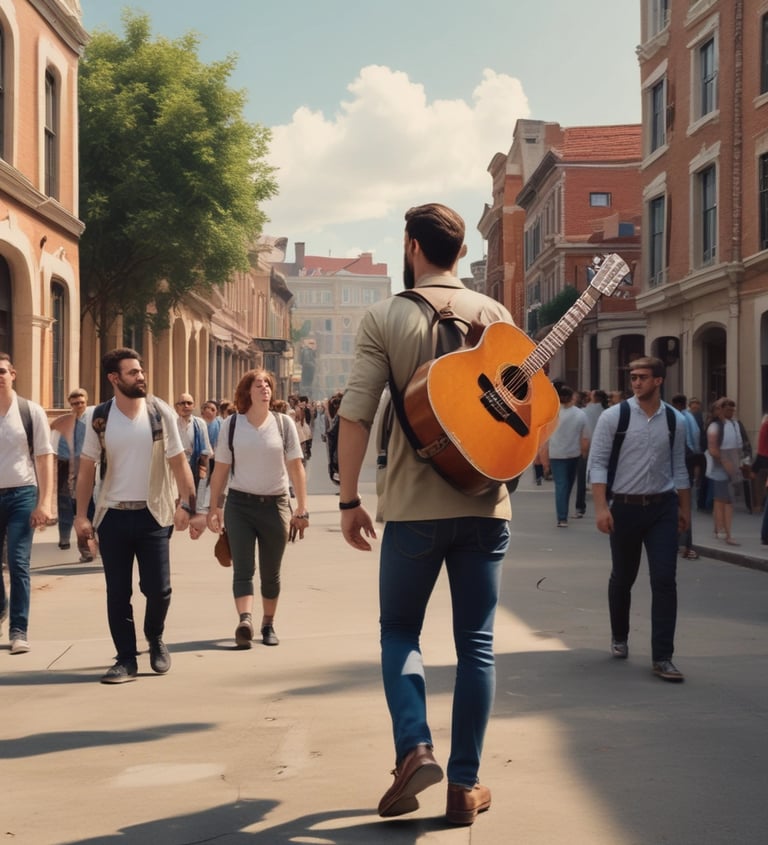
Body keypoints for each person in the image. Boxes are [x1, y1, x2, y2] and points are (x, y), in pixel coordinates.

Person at [337, 203, 513, 826]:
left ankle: (413, 746)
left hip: (413, 508)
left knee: (399, 632)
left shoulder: (385, 315)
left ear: (412, 245)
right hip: (487, 504)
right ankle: (464, 787)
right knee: (478, 647)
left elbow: (355, 412)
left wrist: (350, 499)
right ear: (461, 253)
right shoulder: (495, 315)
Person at [74, 348, 197, 684]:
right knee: (118, 592)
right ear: (114, 378)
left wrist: (189, 505)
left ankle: (155, 638)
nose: (141, 376)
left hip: (153, 514)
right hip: (112, 516)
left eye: (141, 371)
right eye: (132, 373)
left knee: (158, 589)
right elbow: (86, 469)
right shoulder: (98, 417)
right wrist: (80, 516)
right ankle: (125, 658)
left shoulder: (160, 412)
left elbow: (178, 461)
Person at [587, 356, 690, 683]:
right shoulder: (613, 417)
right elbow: (598, 464)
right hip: (625, 508)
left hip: (662, 507)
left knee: (664, 580)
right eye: (633, 377)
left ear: (659, 380)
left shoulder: (675, 420)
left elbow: (679, 468)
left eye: (643, 377)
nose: (636, 382)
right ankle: (620, 635)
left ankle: (663, 657)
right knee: (624, 577)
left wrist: (684, 510)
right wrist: (602, 508)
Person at [206, 369, 309, 649]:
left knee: (271, 572)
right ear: (246, 391)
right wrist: (214, 506)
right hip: (239, 505)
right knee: (242, 568)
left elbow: (296, 467)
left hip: (275, 505)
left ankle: (268, 624)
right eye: (257, 384)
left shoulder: (284, 423)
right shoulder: (232, 425)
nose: (264, 387)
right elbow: (221, 471)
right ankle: (246, 620)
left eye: (267, 384)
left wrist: (302, 506)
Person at [0, 353, 54, 654]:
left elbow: (44, 457)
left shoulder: (29, 411)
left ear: (13, 373)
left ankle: (18, 630)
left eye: (2, 371)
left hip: (23, 494)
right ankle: (1, 606)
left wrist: (45, 502)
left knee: (18, 562)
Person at [50, 388, 95, 562]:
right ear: (70, 404)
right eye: (75, 403)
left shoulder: (92, 420)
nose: (79, 406)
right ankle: (69, 540)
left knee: (89, 508)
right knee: (67, 505)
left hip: (88, 468)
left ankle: (89, 546)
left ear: (86, 402)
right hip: (67, 468)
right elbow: (56, 447)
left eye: (81, 403)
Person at [539, 385, 590, 527]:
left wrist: (544, 461)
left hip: (556, 454)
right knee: (568, 484)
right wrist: (584, 454)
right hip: (574, 454)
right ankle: (564, 512)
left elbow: (544, 438)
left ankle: (562, 517)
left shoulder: (552, 414)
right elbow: (585, 438)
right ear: (572, 398)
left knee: (561, 485)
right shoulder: (580, 414)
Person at [705, 397, 744, 545]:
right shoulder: (715, 426)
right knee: (726, 500)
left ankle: (719, 529)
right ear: (719, 410)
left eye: (732, 409)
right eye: (726, 408)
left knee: (721, 499)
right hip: (721, 465)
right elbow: (713, 448)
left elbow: (738, 444)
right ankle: (727, 533)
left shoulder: (734, 424)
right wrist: (725, 462)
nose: (731, 411)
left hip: (730, 463)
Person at [670, 393, 701, 560]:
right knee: (683, 504)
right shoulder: (687, 417)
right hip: (687, 460)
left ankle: (682, 544)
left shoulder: (678, 418)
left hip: (682, 462)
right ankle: (685, 545)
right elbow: (695, 435)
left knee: (679, 505)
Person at [175, 392, 212, 493]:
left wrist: (202, 471)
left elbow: (205, 450)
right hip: (176, 467)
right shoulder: (173, 423)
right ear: (177, 406)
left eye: (189, 403)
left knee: (192, 498)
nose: (186, 406)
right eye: (182, 403)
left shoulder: (200, 423)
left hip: (194, 466)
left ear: (193, 406)